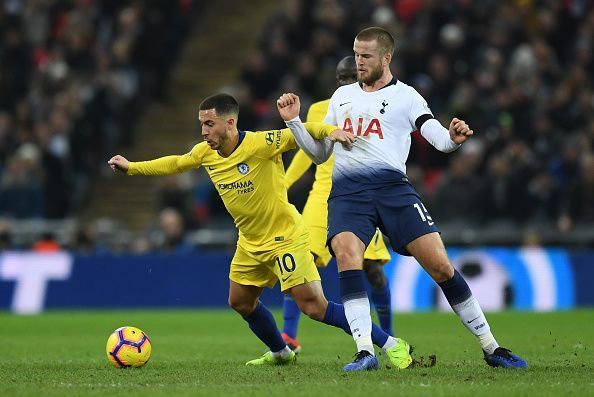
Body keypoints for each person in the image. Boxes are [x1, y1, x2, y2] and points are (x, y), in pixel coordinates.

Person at [108, 93, 412, 371]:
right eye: (201, 124)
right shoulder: (205, 153)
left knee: (315, 307)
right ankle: (281, 352)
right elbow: (175, 163)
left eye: (209, 124)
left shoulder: (261, 144)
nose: (203, 131)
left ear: (230, 122)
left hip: (285, 239)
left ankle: (391, 344)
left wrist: (330, 131)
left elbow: (305, 129)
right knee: (240, 301)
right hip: (250, 242)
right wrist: (132, 167)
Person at [282, 26, 528, 370]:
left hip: (393, 191)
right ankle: (365, 351)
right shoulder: (341, 98)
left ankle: (492, 348)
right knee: (347, 255)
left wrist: (454, 139)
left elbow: (439, 139)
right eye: (355, 54)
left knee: (441, 266)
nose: (359, 62)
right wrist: (295, 123)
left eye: (365, 56)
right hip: (349, 193)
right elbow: (320, 155)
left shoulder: (408, 97)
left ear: (386, 57)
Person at [281, 56, 394, 354]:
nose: (345, 83)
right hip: (321, 197)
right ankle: (288, 336)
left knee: (372, 270)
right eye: (341, 78)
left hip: (359, 194)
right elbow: (306, 152)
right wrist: (284, 185)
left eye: (350, 77)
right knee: (300, 261)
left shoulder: (374, 106)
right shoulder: (320, 109)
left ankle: (390, 336)